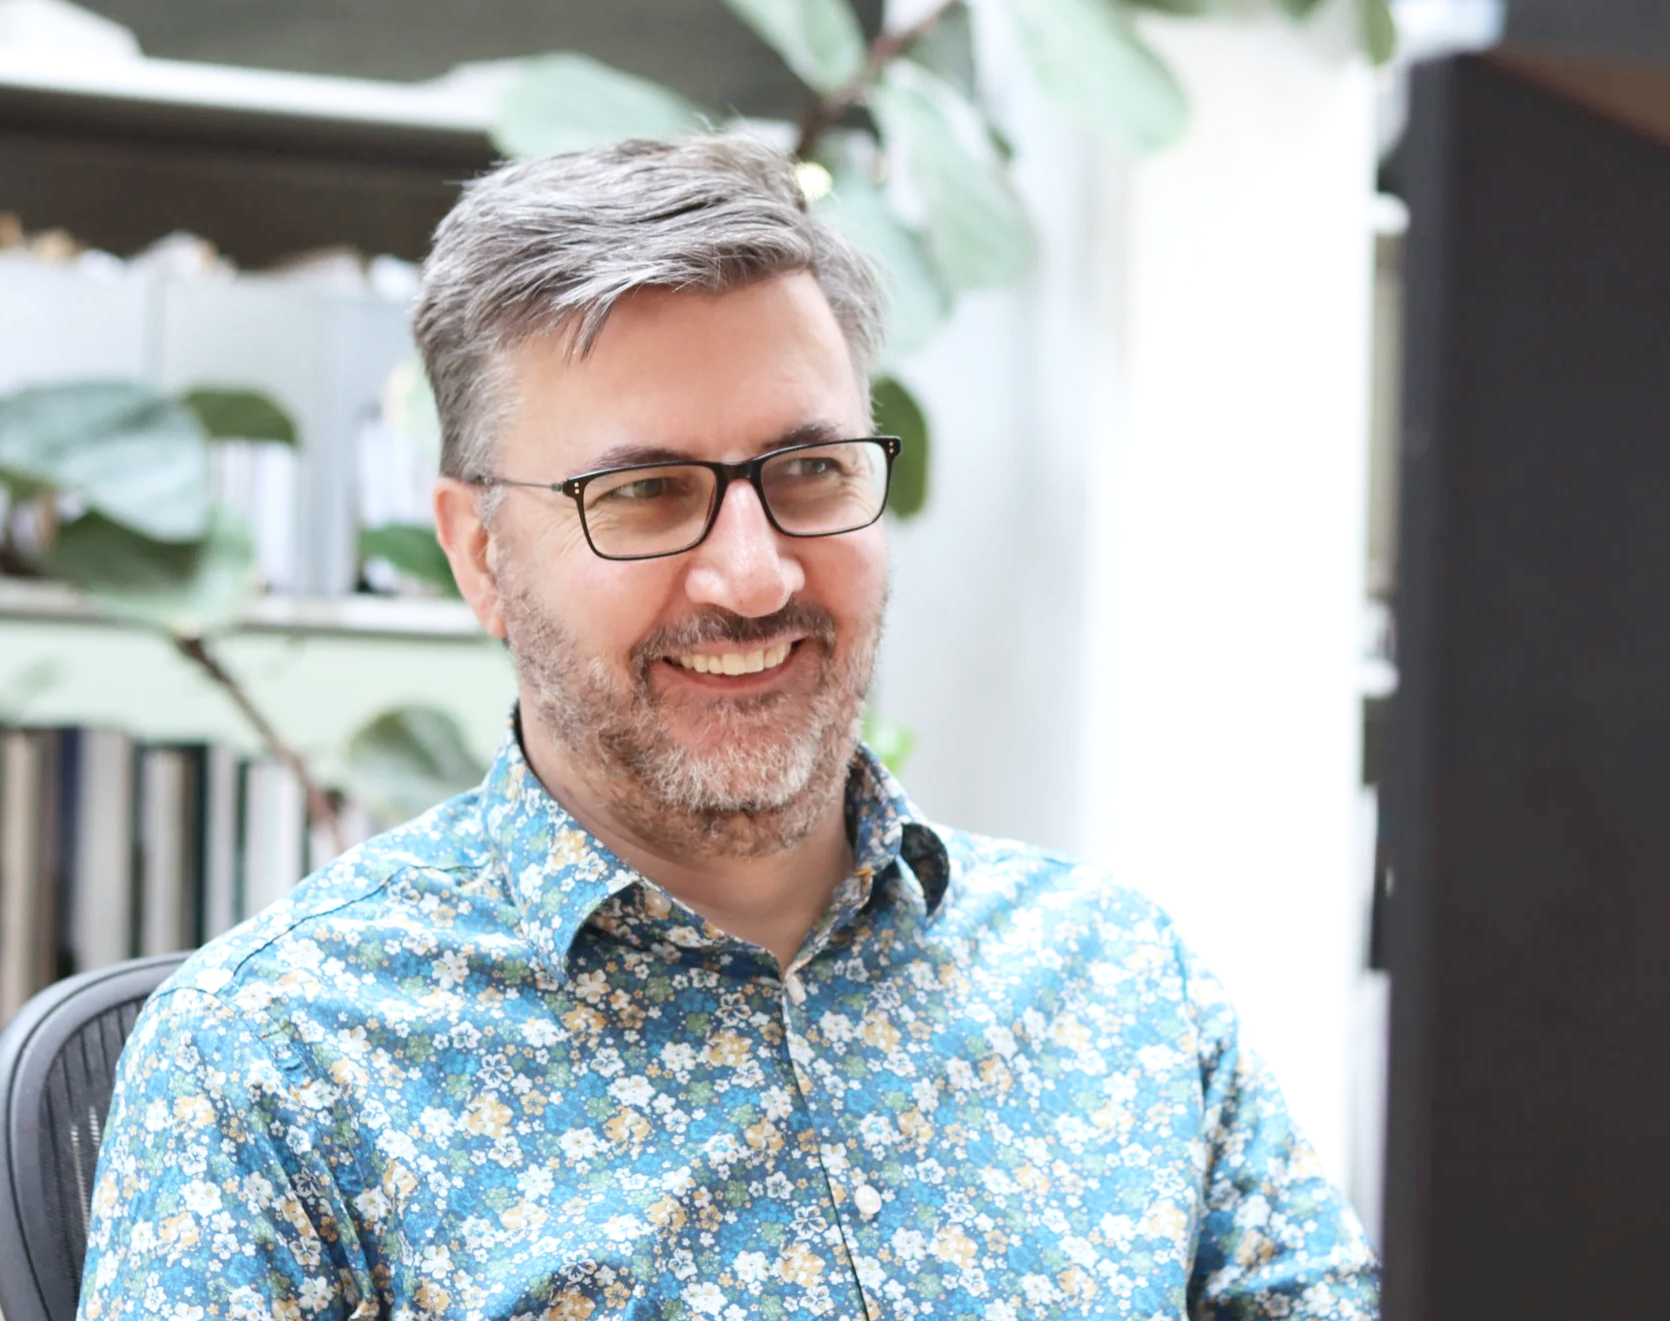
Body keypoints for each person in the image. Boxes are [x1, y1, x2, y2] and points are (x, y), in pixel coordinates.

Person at [78, 135, 1379, 1321]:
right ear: (481, 555)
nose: (753, 577)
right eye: (644, 495)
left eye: (808, 471)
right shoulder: (279, 1060)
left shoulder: (1117, 980)